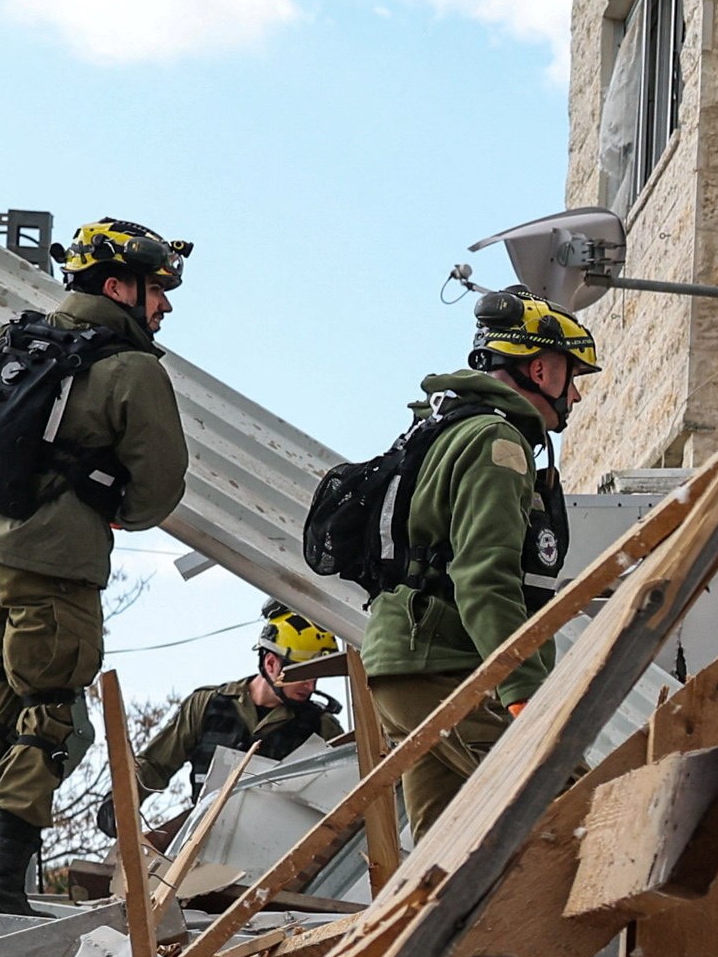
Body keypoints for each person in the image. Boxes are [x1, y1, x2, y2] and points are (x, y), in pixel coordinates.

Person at [0, 219, 190, 914]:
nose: (163, 305)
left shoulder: (0, 343)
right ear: (117, 287)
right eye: (156, 289)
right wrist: (106, 506)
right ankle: (0, 877)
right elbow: (159, 488)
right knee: (48, 712)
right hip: (57, 562)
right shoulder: (134, 372)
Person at [359, 291, 596, 838]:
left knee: (446, 854)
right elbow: (484, 577)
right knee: (575, 814)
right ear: (540, 368)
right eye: (571, 375)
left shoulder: (448, 429)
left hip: (403, 670)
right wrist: (525, 694)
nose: (576, 395)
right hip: (445, 668)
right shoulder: (498, 442)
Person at [133, 605, 350, 801]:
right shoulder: (206, 705)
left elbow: (348, 787)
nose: (310, 688)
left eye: (316, 678)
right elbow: (154, 765)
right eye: (303, 676)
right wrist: (120, 804)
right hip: (206, 839)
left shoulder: (322, 727)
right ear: (271, 663)